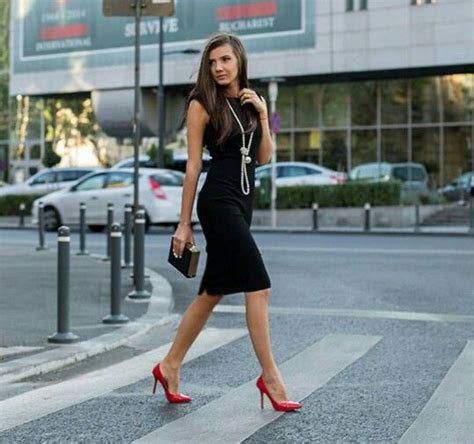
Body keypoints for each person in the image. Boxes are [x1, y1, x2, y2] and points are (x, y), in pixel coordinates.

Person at [151, 32, 302, 412]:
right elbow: (192, 165)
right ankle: (270, 377)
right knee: (259, 286)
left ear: (239, 62)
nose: (218, 67)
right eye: (213, 62)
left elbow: (264, 158)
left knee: (213, 291)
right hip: (218, 202)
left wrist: (264, 116)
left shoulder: (251, 102)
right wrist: (183, 224)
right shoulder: (202, 103)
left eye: (225, 61)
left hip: (243, 200)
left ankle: (169, 366)